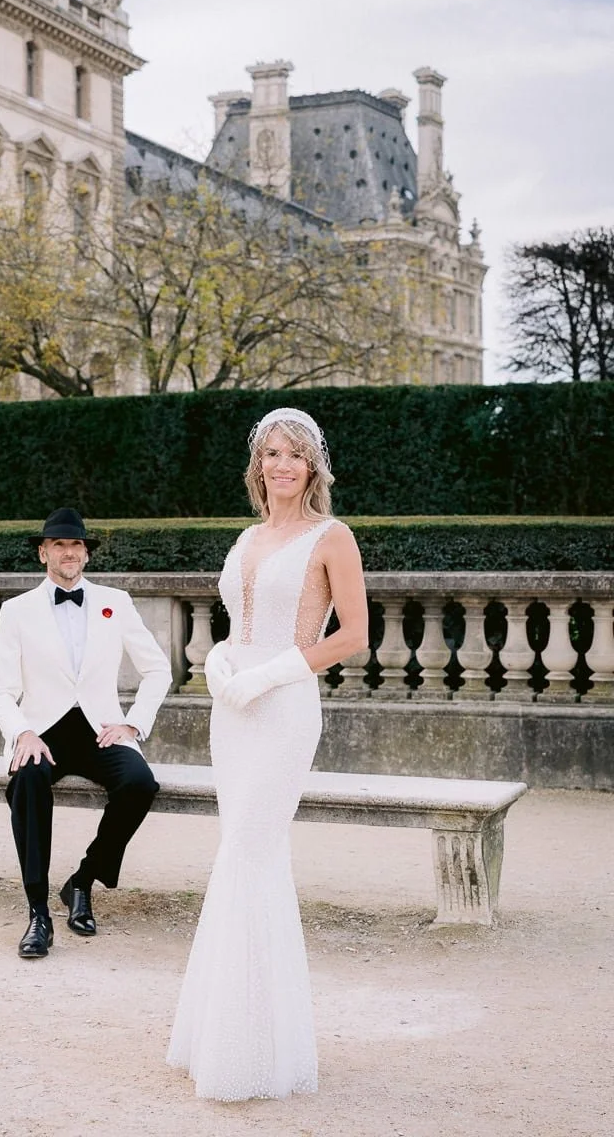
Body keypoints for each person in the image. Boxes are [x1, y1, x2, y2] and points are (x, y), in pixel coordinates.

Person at [167, 408, 369, 1101]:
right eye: (271, 453)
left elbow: (352, 636)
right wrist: (221, 661)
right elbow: (236, 624)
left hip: (283, 707)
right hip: (233, 710)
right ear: (258, 464)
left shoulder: (332, 537)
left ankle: (253, 1052)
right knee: (238, 855)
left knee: (252, 850)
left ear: (314, 466)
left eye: (295, 454)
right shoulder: (249, 535)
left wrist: (270, 673)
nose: (282, 465)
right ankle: (218, 1035)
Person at [0, 507, 172, 960]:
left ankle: (82, 882)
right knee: (27, 783)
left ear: (86, 554)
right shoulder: (17, 611)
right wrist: (23, 734)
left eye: (77, 545)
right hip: (42, 732)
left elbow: (158, 669)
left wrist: (133, 722)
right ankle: (38, 914)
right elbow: (0, 694)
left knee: (140, 784)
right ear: (43, 553)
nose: (70, 552)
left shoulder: (116, 602)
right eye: (60, 545)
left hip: (99, 728)